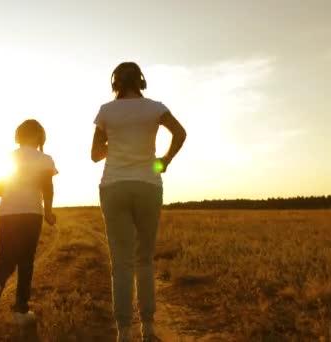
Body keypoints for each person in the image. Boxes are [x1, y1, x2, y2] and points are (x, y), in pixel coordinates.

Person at [91, 62, 187, 342]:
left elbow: (95, 154)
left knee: (120, 263)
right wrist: (163, 161)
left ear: (115, 83)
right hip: (148, 185)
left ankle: (124, 333)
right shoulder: (156, 107)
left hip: (113, 187)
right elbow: (180, 134)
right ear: (141, 81)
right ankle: (149, 330)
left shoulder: (106, 111)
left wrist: (119, 144)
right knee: (144, 260)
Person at [0, 119, 58, 325]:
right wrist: (48, 210)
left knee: (5, 259)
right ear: (40, 137)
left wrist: (14, 181)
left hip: (7, 214)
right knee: (26, 261)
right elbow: (48, 187)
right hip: (31, 213)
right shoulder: (45, 159)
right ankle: (21, 311)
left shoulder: (8, 159)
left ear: (18, 136)